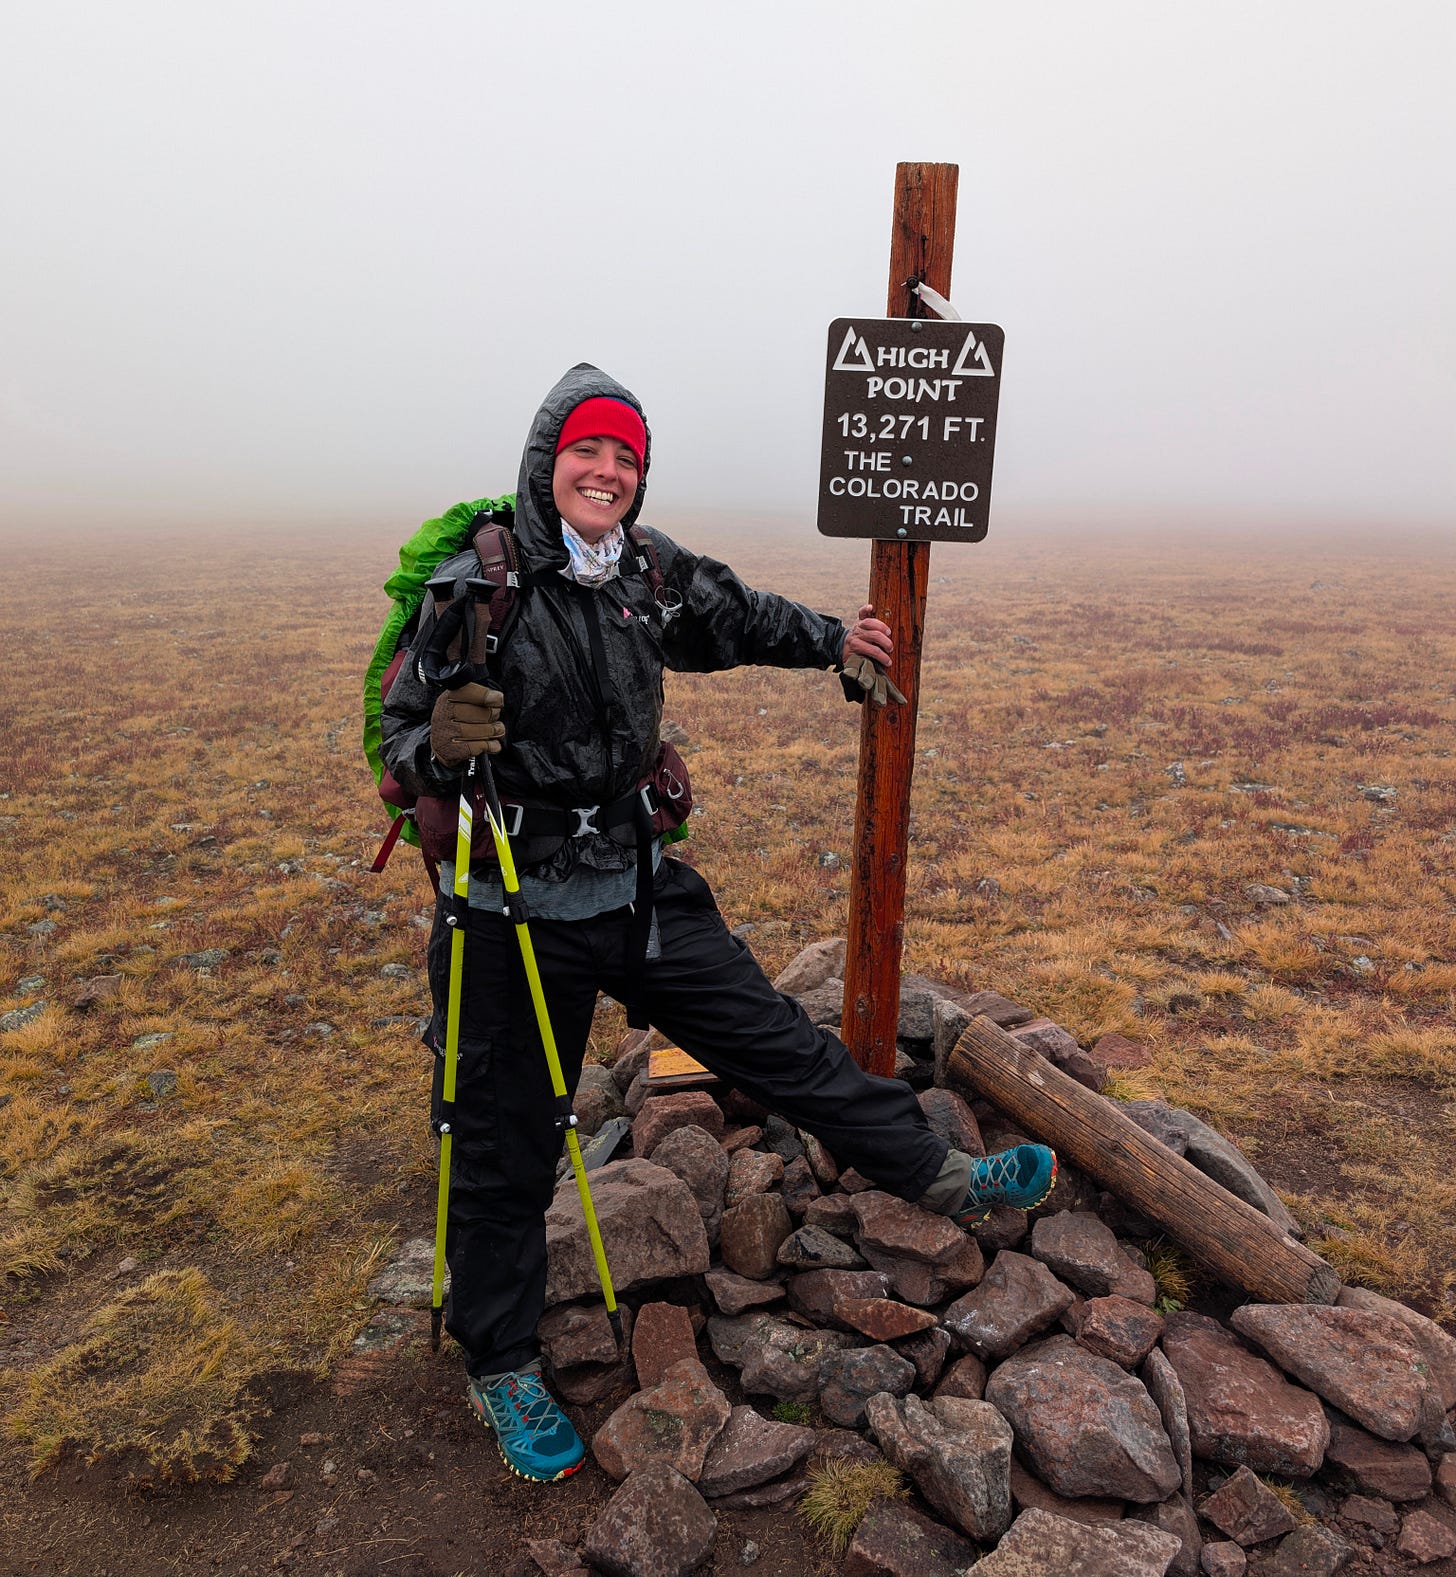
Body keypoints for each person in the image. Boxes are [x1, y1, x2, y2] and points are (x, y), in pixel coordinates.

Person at [380, 364, 1055, 1483]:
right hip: (511, 908)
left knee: (780, 1045)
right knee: (503, 1146)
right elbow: (400, 742)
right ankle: (501, 1361)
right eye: (588, 453)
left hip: (640, 888)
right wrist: (438, 743)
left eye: (626, 458)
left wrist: (839, 637)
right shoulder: (474, 590)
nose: (606, 472)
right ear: (548, 464)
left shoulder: (645, 572)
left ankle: (938, 1176)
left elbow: (734, 616)